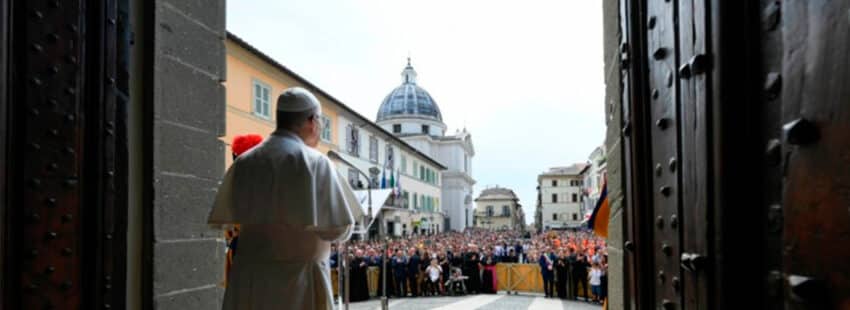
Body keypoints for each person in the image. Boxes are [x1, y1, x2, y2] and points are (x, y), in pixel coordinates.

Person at [208, 87, 356, 310]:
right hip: (301, 285)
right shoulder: (316, 162)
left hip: (251, 283)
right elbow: (338, 229)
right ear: (311, 121)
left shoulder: (244, 162)